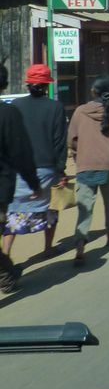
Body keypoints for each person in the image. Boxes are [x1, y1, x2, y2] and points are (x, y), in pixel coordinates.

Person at [7, 65, 68, 261]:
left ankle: (5, 255)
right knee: (50, 209)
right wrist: (61, 170)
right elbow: (60, 142)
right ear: (46, 86)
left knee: (12, 214)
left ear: (28, 84)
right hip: (46, 169)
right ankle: (48, 248)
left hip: (18, 171)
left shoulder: (14, 105)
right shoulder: (55, 107)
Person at [69, 76, 109, 266]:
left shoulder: (79, 112)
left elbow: (71, 140)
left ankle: (80, 245)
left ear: (93, 92)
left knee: (85, 207)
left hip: (86, 163)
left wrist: (78, 154)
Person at [0, 63, 40, 293]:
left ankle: (8, 274)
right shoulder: (8, 113)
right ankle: (8, 274)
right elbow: (20, 152)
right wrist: (33, 182)